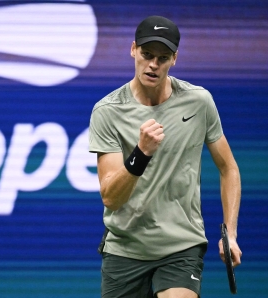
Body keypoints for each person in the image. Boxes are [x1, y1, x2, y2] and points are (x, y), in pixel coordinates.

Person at [88, 15, 242, 298]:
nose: (153, 65)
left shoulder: (199, 101)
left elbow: (228, 168)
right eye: (147, 55)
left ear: (175, 59)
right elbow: (111, 197)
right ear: (133, 49)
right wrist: (141, 153)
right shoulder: (107, 111)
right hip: (125, 249)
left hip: (181, 246)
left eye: (163, 57)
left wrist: (230, 234)